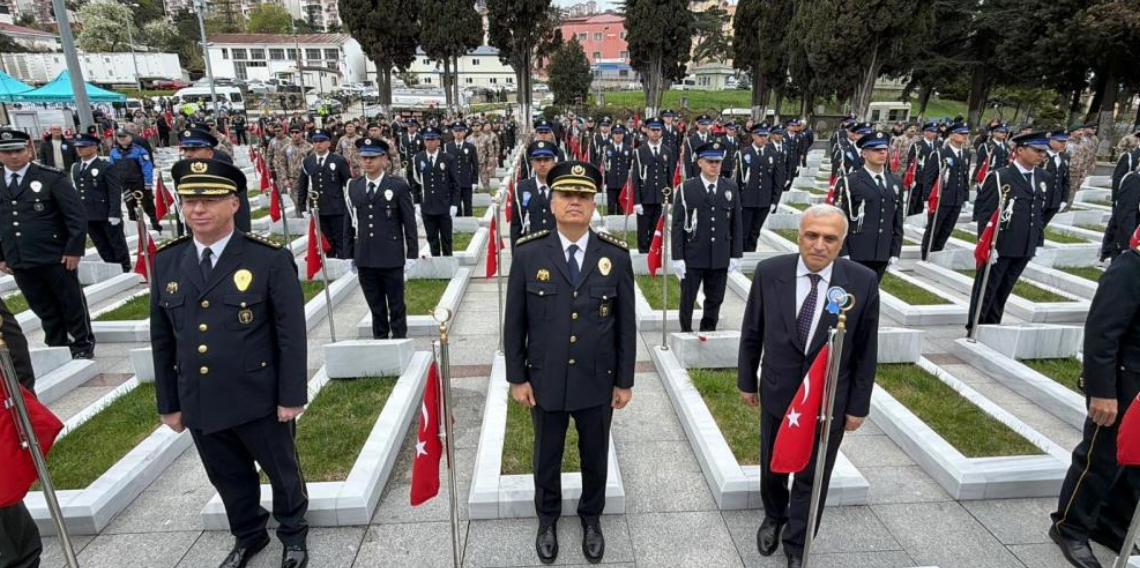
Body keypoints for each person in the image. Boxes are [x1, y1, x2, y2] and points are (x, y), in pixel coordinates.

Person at [153, 158, 310, 568]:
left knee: (282, 472)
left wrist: (291, 396)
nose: (197, 209)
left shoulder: (267, 259)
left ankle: (293, 533)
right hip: (200, 397)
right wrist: (168, 402)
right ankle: (248, 535)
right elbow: (163, 339)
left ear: (235, 203)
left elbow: (290, 335)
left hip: (257, 394)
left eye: (209, 199)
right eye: (189, 200)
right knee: (227, 475)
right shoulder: (168, 261)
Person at [503, 160, 635, 565]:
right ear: (553, 200)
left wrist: (624, 381)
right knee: (548, 453)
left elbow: (625, 326)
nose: (574, 202)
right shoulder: (529, 254)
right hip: (546, 379)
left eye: (583, 196)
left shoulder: (614, 255)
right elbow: (515, 322)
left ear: (594, 204)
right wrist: (517, 377)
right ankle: (547, 518)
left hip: (598, 379)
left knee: (595, 454)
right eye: (566, 194)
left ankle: (591, 518)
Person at [737, 204, 880, 568]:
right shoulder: (771, 273)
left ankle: (798, 542)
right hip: (778, 389)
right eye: (811, 235)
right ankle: (774, 515)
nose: (819, 245)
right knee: (773, 462)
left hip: (829, 399)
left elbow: (865, 350)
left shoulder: (861, 282)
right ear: (799, 236)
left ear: (842, 242)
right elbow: (752, 331)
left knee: (813, 472)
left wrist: (858, 405)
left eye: (830, 238)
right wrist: (746, 381)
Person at [1049, 242, 1140, 568]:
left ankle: (1111, 525)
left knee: (1135, 467)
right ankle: (1069, 526)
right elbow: (1102, 332)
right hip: (1124, 385)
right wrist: (1102, 392)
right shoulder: (1132, 265)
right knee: (1099, 460)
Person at [0, 129, 94, 360]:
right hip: (20, 257)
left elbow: (75, 216)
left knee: (69, 301)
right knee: (41, 305)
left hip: (55, 255)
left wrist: (74, 250)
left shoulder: (50, 177)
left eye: (18, 151)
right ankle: (56, 341)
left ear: (29, 151)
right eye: (6, 152)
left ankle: (81, 342)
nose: (13, 156)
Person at [966, 131, 1050, 334]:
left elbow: (1038, 213)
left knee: (1004, 289)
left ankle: (993, 327)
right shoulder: (1000, 177)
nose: (1042, 155)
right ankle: (976, 327)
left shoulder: (1042, 177)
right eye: (1037, 150)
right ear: (1020, 150)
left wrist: (1037, 241)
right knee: (987, 289)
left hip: (1024, 245)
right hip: (1000, 244)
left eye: (1044, 152)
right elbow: (986, 216)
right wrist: (987, 246)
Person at [345, 137, 417, 339]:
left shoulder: (397, 186)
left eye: (373, 158)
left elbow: (409, 223)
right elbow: (348, 222)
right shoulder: (354, 186)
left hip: (390, 257)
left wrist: (412, 253)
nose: (368, 162)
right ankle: (380, 339)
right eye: (364, 158)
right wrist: (348, 254)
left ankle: (400, 339)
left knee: (396, 304)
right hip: (365, 257)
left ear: (384, 159)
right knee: (375, 305)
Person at [671, 141, 743, 332]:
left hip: (719, 255)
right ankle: (685, 332)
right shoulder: (687, 188)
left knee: (715, 298)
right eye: (710, 161)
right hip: (693, 254)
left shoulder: (730, 187)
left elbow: (736, 223)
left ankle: (708, 332)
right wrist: (677, 257)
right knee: (688, 298)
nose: (714, 166)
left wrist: (736, 254)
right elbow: (677, 225)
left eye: (718, 162)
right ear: (700, 163)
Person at [835, 131, 904, 281]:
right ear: (864, 153)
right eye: (875, 149)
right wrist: (843, 251)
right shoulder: (850, 182)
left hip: (882, 251)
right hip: (857, 250)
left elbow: (897, 220)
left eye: (884, 149)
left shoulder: (895, 182)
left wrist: (895, 250)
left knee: (870, 295)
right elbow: (840, 220)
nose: (882, 153)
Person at [72, 133, 131, 272]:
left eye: (83, 146)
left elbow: (114, 191)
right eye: (77, 147)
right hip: (89, 214)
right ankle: (111, 266)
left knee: (116, 242)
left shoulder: (105, 166)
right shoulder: (76, 167)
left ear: (94, 147)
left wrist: (115, 213)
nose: (79, 149)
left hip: (106, 213)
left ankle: (124, 267)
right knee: (101, 243)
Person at [178, 127, 253, 233]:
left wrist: (241, 241)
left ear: (209, 153)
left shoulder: (225, 174)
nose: (188, 154)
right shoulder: (182, 176)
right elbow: (182, 211)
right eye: (185, 150)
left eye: (194, 149)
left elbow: (240, 213)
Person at [296, 129, 352, 259]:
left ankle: (343, 263)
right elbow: (302, 185)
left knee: (340, 238)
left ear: (328, 143)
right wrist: (302, 207)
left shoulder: (338, 160)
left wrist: (352, 205)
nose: (318, 144)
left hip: (336, 208)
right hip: (318, 208)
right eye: (315, 141)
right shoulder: (308, 161)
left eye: (321, 141)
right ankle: (331, 262)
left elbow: (349, 183)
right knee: (326, 240)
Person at [921, 122, 972, 259]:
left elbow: (965, 177)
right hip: (941, 198)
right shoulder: (940, 154)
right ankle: (926, 255)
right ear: (952, 135)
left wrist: (965, 196)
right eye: (961, 134)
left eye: (966, 134)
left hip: (956, 199)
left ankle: (936, 254)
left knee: (946, 230)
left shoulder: (966, 154)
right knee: (934, 229)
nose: (965, 136)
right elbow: (929, 178)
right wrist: (927, 198)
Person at [412, 126, 460, 256]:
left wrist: (455, 204)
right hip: (427, 206)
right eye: (427, 140)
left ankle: (448, 262)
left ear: (439, 141)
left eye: (433, 140)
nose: (430, 142)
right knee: (432, 238)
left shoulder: (448, 158)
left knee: (446, 238)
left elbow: (455, 183)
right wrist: (416, 202)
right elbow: (415, 182)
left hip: (444, 205)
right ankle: (436, 262)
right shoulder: (418, 158)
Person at [632, 117, 677, 253]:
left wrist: (670, 200)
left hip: (661, 197)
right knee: (643, 227)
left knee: (656, 228)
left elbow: (669, 177)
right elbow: (636, 178)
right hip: (645, 196)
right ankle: (643, 252)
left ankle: (654, 251)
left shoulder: (667, 151)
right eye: (653, 130)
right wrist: (637, 202)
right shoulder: (639, 152)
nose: (656, 133)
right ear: (647, 131)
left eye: (658, 130)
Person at [736, 123, 779, 252]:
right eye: (760, 135)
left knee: (755, 231)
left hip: (764, 201)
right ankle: (742, 255)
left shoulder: (773, 155)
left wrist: (774, 201)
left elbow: (777, 181)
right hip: (747, 200)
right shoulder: (744, 154)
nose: (764, 138)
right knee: (744, 231)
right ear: (753, 135)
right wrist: (737, 201)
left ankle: (751, 254)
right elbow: (738, 180)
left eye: (765, 135)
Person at [110, 128, 162, 232]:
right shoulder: (113, 152)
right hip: (125, 184)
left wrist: (148, 183)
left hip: (140, 183)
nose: (122, 139)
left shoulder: (139, 150)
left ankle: (155, 224)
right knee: (130, 205)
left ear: (130, 136)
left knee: (147, 204)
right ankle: (136, 228)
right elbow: (112, 168)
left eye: (124, 136)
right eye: (119, 137)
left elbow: (147, 167)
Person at [510, 141, 558, 246]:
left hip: (556, 251)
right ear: (531, 162)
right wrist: (517, 258)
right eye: (538, 160)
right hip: (530, 251)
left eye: (546, 159)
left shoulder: (561, 188)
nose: (542, 164)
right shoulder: (521, 188)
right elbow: (516, 226)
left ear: (554, 162)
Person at [445, 122, 480, 217]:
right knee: (456, 206)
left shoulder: (470, 147)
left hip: (466, 181)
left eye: (460, 131)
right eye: (456, 131)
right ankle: (459, 226)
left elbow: (475, 165)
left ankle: (469, 225)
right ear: (452, 132)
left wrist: (475, 182)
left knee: (468, 205)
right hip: (453, 183)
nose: (458, 133)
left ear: (464, 132)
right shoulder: (447, 146)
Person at [1042, 130, 1072, 229]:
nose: (1063, 144)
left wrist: (1064, 199)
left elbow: (1065, 180)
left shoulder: (1064, 157)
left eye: (1065, 141)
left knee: (1042, 227)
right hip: (1042, 198)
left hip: (1055, 200)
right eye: (1060, 141)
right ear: (1050, 140)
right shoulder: (1042, 156)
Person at [283, 126, 314, 218]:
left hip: (307, 179)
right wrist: (285, 178)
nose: (294, 134)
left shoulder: (309, 146)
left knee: (311, 200)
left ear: (301, 133)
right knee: (297, 201)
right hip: (293, 179)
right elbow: (282, 163)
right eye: (292, 132)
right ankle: (301, 218)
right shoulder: (286, 148)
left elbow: (313, 162)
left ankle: (313, 220)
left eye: (297, 132)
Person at [602, 125, 633, 216]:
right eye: (616, 133)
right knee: (611, 206)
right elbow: (604, 168)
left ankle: (619, 224)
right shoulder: (607, 149)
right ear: (612, 135)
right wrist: (605, 183)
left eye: (620, 133)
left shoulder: (629, 150)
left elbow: (630, 167)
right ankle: (610, 223)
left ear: (623, 135)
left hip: (623, 182)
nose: (618, 135)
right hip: (611, 182)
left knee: (621, 205)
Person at [684, 115, 715, 179]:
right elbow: (687, 160)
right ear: (698, 125)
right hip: (696, 173)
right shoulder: (690, 140)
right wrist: (689, 177)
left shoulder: (712, 139)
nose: (704, 126)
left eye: (706, 124)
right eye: (702, 124)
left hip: (709, 173)